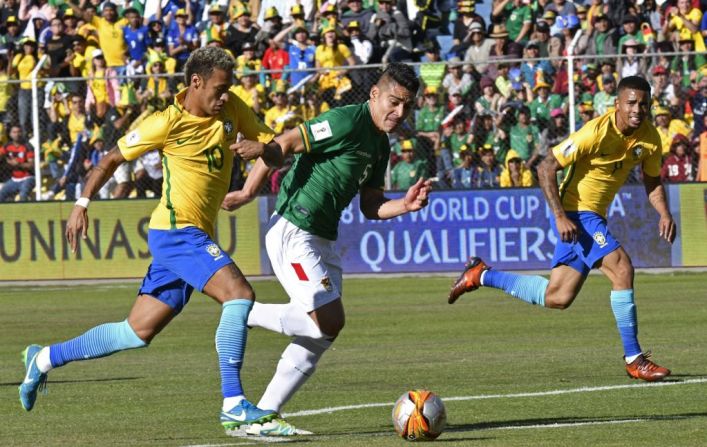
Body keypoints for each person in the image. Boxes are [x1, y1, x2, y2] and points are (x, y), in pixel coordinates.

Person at [18, 47, 286, 436]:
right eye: (220, 88)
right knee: (239, 295)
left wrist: (263, 149)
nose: (225, 96)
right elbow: (110, 159)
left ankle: (42, 358)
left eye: (228, 89)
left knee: (136, 332)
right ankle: (234, 404)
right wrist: (81, 203)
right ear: (196, 82)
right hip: (177, 233)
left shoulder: (233, 108)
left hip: (191, 237)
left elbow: (278, 150)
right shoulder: (165, 122)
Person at [221, 63, 431, 436]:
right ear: (375, 95)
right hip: (294, 230)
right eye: (394, 103)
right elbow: (286, 143)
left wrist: (405, 205)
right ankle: (243, 313)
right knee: (328, 321)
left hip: (323, 238)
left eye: (407, 107)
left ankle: (264, 415)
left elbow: (371, 206)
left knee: (323, 335)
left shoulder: (380, 144)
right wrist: (250, 187)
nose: (399, 113)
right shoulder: (346, 121)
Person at [447, 76, 676, 382]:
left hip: (593, 216)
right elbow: (545, 168)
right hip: (578, 213)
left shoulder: (650, 137)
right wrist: (559, 216)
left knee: (558, 296)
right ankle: (635, 359)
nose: (638, 109)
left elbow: (652, 181)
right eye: (632, 103)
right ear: (617, 104)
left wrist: (663, 212)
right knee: (622, 268)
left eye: (644, 104)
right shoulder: (594, 132)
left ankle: (481, 274)